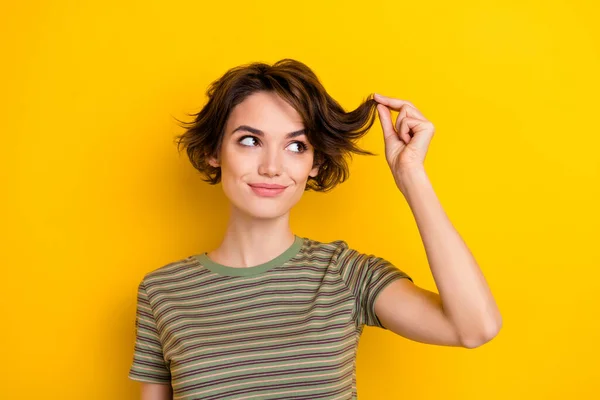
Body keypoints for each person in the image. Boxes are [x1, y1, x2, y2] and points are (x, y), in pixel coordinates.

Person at [127, 59, 502, 400]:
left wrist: (411, 176)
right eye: (250, 140)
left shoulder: (345, 273)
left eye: (296, 146)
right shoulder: (163, 292)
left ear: (315, 164)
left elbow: (475, 327)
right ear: (214, 151)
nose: (272, 166)